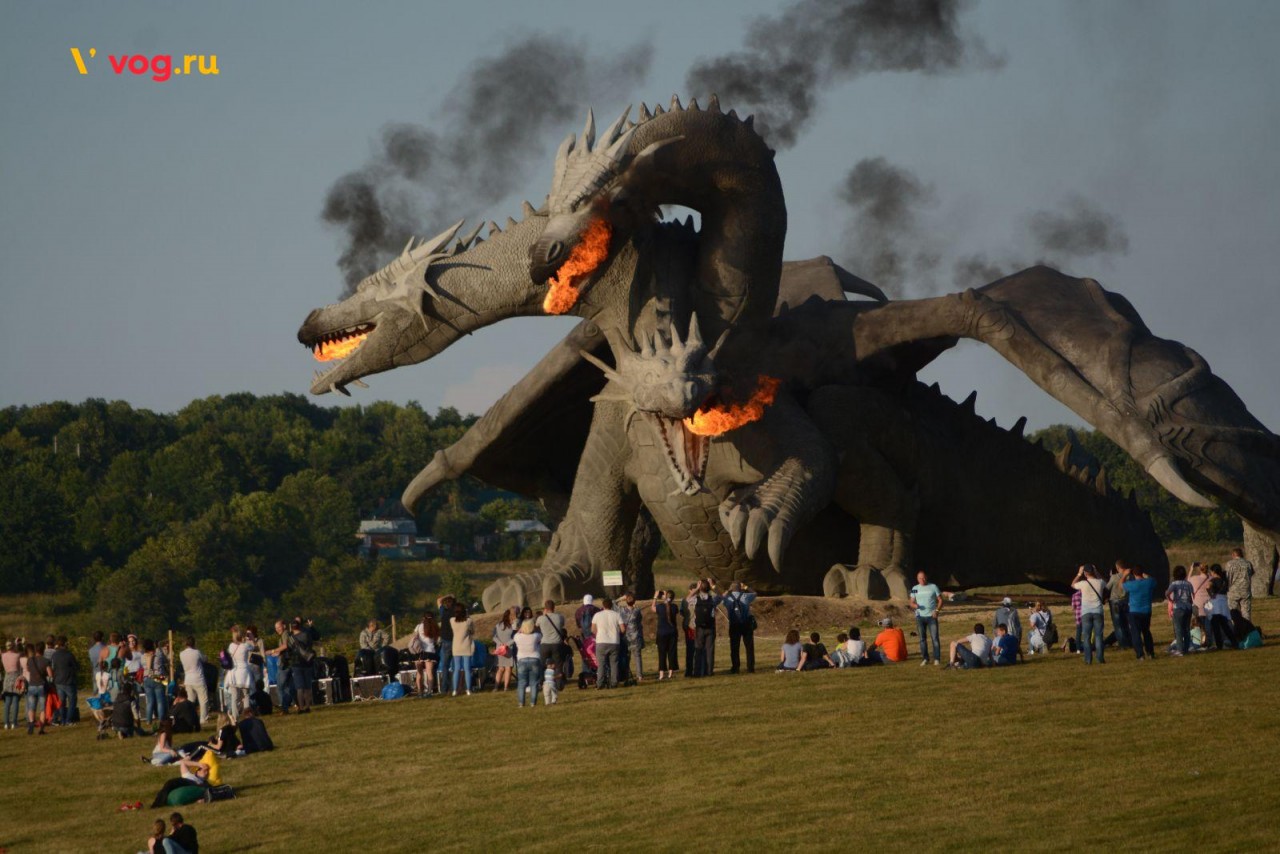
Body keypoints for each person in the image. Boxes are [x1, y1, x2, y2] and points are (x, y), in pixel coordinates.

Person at [688, 579, 724, 676]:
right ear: (708, 588)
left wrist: (696, 588)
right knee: (710, 650)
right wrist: (713, 586)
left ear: (700, 588)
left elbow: (688, 598)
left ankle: (697, 671)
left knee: (698, 649)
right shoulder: (712, 599)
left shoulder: (696, 599)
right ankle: (709, 671)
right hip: (710, 627)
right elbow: (721, 596)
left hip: (699, 628)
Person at [1073, 564, 1107, 664]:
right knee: (1098, 636)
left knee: (1087, 637)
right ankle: (1100, 658)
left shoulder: (1083, 583)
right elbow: (1105, 582)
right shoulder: (1100, 582)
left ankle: (1088, 659)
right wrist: (1097, 572)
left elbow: (1073, 584)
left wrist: (1079, 574)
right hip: (1098, 611)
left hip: (1086, 612)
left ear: (1085, 573)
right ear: (1093, 572)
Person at [1122, 564, 1158, 660]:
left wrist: (1125, 575)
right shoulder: (1149, 582)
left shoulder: (1132, 584)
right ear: (1142, 573)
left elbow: (1121, 584)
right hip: (1146, 611)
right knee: (1146, 632)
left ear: (1133, 574)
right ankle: (1150, 652)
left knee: (1136, 633)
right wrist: (1146, 575)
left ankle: (1140, 654)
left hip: (1134, 611)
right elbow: (1154, 580)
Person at [591, 597, 625, 689]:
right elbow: (623, 629)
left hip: (601, 642)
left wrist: (598, 634)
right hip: (614, 642)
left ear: (603, 605)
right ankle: (614, 683)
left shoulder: (597, 615)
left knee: (601, 664)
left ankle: (600, 683)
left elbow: (593, 629)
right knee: (614, 663)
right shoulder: (617, 615)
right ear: (612, 605)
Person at [909, 571, 943, 666]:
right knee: (922, 639)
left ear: (926, 577)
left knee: (935, 638)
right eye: (920, 578)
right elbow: (911, 602)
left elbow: (940, 600)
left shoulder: (933, 586)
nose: (922, 580)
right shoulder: (915, 588)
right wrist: (915, 605)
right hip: (920, 617)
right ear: (917, 579)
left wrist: (936, 611)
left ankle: (937, 659)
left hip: (932, 616)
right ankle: (925, 658)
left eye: (923, 578)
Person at [723, 581, 758, 674]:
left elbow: (721, 597)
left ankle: (735, 667)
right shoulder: (745, 596)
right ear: (740, 588)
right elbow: (755, 593)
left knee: (734, 647)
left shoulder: (728, 598)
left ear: (731, 588)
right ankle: (750, 667)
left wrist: (728, 591)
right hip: (746, 624)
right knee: (749, 647)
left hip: (734, 624)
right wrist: (746, 587)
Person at [285, 619, 317, 712]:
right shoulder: (306, 635)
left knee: (299, 687)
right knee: (307, 686)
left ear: (292, 627)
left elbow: (289, 650)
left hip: (296, 663)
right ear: (300, 626)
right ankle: (308, 706)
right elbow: (311, 646)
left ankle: (301, 707)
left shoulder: (291, 638)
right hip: (307, 662)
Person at [1165, 565, 1196, 656]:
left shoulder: (1174, 584)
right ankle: (1186, 648)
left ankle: (1180, 650)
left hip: (1178, 607)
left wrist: (1170, 600)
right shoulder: (1188, 583)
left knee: (1178, 629)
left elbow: (1167, 593)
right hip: (1188, 608)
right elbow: (1192, 595)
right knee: (1186, 629)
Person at [178, 637, 208, 727]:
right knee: (203, 700)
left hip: (188, 679)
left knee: (190, 701)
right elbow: (205, 659)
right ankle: (203, 718)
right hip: (199, 679)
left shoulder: (181, 654)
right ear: (194, 643)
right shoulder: (197, 652)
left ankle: (190, 718)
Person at [224, 626, 252, 724]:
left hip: (233, 673)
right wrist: (249, 638)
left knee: (234, 698)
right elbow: (253, 646)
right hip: (244, 672)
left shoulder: (231, 646)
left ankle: (235, 718)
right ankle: (247, 716)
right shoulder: (245, 646)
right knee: (246, 695)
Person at [1204, 567, 1237, 650]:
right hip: (1224, 602)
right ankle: (1234, 642)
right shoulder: (1224, 580)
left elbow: (1208, 586)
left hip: (1216, 603)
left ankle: (1219, 645)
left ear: (1214, 572)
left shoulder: (1213, 580)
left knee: (1215, 625)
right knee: (1225, 625)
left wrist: (1211, 594)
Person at [49, 635, 78, 726]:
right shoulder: (69, 654)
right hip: (69, 681)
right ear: (65, 643)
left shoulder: (54, 655)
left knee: (61, 702)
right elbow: (76, 667)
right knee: (72, 701)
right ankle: (69, 720)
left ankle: (63, 719)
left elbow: (53, 667)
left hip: (58, 681)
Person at [23, 641, 51, 735]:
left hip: (31, 685)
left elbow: (27, 669)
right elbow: (50, 674)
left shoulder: (30, 660)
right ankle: (41, 729)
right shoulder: (45, 660)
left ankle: (31, 724)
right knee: (42, 708)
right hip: (41, 686)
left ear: (35, 650)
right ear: (43, 650)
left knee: (31, 707)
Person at [449, 603, 475, 696]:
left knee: (456, 669)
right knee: (467, 669)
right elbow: (472, 631)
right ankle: (468, 689)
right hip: (466, 646)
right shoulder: (468, 621)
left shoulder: (452, 620)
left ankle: (454, 690)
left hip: (456, 647)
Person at [617, 592, 645, 682]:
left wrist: (621, 598)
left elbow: (613, 603)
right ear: (634, 602)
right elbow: (640, 620)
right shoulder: (637, 611)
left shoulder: (621, 610)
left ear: (626, 601)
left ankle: (625, 675)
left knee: (626, 657)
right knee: (637, 657)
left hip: (625, 637)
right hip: (636, 637)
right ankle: (639, 676)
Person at [141, 639, 168, 729]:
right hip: (158, 676)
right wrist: (158, 647)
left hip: (147, 678)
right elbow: (165, 659)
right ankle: (161, 719)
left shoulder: (143, 656)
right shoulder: (158, 654)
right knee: (160, 701)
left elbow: (142, 666)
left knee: (150, 701)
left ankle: (148, 720)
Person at [652, 590, 679, 680]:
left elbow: (653, 608)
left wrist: (656, 597)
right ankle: (670, 673)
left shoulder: (660, 607)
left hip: (662, 633)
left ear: (665, 597)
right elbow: (669, 604)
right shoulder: (675, 607)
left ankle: (661, 674)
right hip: (672, 632)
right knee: (672, 652)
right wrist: (666, 597)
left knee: (662, 653)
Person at [410, 612, 439, 697]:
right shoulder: (435, 626)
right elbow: (436, 641)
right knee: (430, 673)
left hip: (419, 652)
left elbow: (415, 638)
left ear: (423, 618)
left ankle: (420, 692)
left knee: (419, 673)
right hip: (430, 652)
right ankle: (429, 692)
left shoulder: (419, 626)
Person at [514, 619, 541, 707]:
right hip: (534, 659)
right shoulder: (536, 636)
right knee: (534, 683)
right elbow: (540, 636)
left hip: (522, 659)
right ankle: (533, 703)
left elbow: (516, 635)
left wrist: (519, 631)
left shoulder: (517, 637)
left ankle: (521, 703)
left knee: (522, 683)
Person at [535, 600, 567, 673]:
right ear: (554, 607)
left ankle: (541, 682)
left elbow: (536, 625)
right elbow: (562, 625)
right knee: (558, 665)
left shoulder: (541, 618)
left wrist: (544, 614)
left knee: (542, 665)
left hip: (545, 643)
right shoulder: (560, 617)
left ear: (545, 608)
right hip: (557, 643)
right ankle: (558, 682)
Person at [1224, 547, 1254, 622]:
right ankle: (1247, 629)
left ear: (1233, 555)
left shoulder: (1230, 564)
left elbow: (1227, 577)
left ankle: (1235, 628)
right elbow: (1252, 573)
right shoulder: (1248, 563)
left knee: (1233, 612)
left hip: (1233, 591)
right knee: (1246, 613)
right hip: (1245, 591)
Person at [1106, 562, 1132, 650]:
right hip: (1126, 601)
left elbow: (1107, 587)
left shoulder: (1114, 577)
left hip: (1115, 602)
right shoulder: (1130, 577)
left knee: (1118, 625)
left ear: (1117, 567)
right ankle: (1129, 641)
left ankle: (1123, 644)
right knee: (1126, 623)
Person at [492, 609, 517, 692]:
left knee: (500, 669)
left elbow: (494, 637)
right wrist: (506, 644)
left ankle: (496, 687)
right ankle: (506, 687)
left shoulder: (498, 625)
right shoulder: (513, 626)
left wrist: (500, 644)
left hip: (499, 649)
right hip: (508, 649)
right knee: (508, 668)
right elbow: (515, 638)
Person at [436, 595, 457, 689]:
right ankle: (455, 686)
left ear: (446, 605)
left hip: (445, 641)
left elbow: (439, 600)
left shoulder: (443, 612)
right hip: (456, 641)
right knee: (455, 665)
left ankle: (444, 687)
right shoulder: (457, 614)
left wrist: (448, 595)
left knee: (445, 666)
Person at [679, 582, 698, 677]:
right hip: (698, 626)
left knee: (690, 649)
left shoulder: (685, 600)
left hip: (689, 626)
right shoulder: (700, 599)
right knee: (698, 649)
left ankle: (689, 670)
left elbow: (681, 612)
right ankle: (698, 669)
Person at [3, 639, 21, 730]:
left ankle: (6, 723)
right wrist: (17, 644)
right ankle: (14, 722)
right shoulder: (17, 655)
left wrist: (14, 644)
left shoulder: (3, 655)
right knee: (15, 701)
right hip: (16, 678)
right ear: (13, 646)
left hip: (7, 678)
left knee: (7, 702)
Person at [1189, 563, 1213, 633]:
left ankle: (1202, 638)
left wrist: (1191, 569)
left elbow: (1188, 580)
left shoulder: (1194, 578)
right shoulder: (1211, 578)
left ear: (1199, 570)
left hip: (1198, 604)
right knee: (1208, 623)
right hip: (1209, 604)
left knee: (1199, 624)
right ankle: (1208, 639)